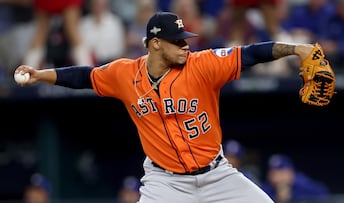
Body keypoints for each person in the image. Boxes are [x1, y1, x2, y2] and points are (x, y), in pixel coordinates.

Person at [14, 11, 322, 203]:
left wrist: (297, 49)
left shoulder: (202, 64)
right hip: (166, 182)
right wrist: (41, 75)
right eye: (178, 41)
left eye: (186, 39)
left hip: (218, 176)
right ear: (156, 44)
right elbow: (84, 76)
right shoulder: (124, 73)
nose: (186, 45)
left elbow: (252, 53)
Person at [261, 153, 330, 203]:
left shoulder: (303, 184)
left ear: (290, 172)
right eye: (273, 173)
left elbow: (324, 194)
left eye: (281, 173)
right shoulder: (266, 188)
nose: (276, 177)